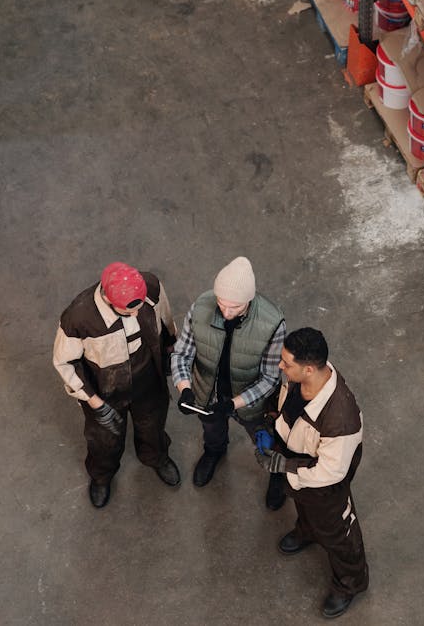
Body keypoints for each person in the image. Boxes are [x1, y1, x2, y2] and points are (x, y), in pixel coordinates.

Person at [255, 327, 369, 620]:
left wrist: (285, 466)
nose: (281, 366)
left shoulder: (340, 418)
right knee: (303, 504)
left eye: (286, 363)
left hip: (325, 483)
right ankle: (307, 531)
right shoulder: (299, 379)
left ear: (308, 368)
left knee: (339, 534)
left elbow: (330, 470)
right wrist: (271, 424)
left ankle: (350, 583)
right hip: (298, 461)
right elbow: (286, 407)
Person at [53, 262, 180, 509]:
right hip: (104, 391)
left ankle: (157, 457)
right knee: (104, 439)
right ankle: (102, 476)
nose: (136, 313)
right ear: (108, 301)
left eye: (140, 307)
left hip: (147, 378)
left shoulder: (151, 287)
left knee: (153, 425)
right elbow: (64, 363)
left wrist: (170, 352)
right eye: (128, 311)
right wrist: (95, 403)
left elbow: (166, 319)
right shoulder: (78, 318)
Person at [171, 256, 286, 509]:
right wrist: (185, 389)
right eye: (221, 304)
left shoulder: (272, 323)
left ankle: (278, 473)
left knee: (265, 439)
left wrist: (233, 404)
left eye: (234, 307)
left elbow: (270, 378)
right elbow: (182, 353)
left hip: (250, 401)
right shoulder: (201, 307)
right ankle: (215, 451)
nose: (225, 312)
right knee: (212, 430)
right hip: (207, 393)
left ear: (249, 300)